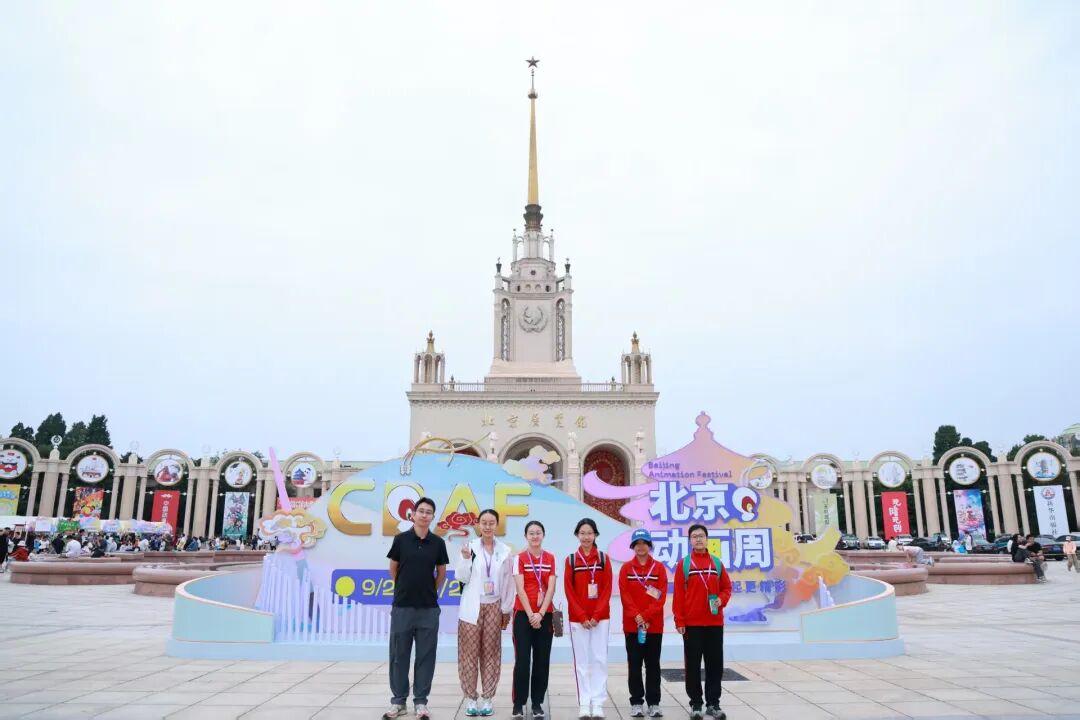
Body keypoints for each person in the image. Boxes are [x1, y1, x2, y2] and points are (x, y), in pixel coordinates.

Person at [383, 497, 449, 720]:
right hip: (402, 607)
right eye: (421, 511)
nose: (424, 515)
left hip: (428, 609)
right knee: (399, 655)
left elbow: (441, 572)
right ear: (413, 514)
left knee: (426, 656)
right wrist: (404, 588)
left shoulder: (438, 543)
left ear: (432, 517)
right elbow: (393, 568)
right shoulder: (401, 540)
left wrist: (429, 590)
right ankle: (398, 701)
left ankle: (421, 702)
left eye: (429, 512)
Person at [455, 508, 515, 717]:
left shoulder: (505, 551)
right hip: (472, 607)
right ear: (479, 525)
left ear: (497, 525)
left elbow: (508, 583)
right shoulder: (469, 547)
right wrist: (465, 559)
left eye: (491, 523)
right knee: (469, 655)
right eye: (484, 523)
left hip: (494, 607)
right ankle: (471, 699)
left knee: (491, 653)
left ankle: (487, 698)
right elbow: (462, 577)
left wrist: (506, 609)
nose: (488, 526)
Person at [674, 524, 732, 720]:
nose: (698, 539)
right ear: (690, 540)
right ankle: (696, 704)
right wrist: (679, 620)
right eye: (694, 536)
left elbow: (727, 588)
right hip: (692, 625)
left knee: (715, 665)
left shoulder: (716, 563)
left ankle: (713, 704)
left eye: (701, 536)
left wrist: (721, 600)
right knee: (692, 666)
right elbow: (678, 596)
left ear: (707, 539)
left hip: (714, 623)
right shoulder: (684, 564)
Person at [565, 518, 613, 719]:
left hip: (600, 619)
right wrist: (583, 616)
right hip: (578, 619)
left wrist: (596, 615)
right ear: (577, 535)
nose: (586, 537)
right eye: (582, 533)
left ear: (595, 535)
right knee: (582, 662)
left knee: (600, 659)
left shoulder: (603, 559)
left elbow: (607, 589)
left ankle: (598, 702)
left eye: (590, 533)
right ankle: (584, 703)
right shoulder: (571, 560)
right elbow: (569, 591)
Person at [619, 528, 668, 718]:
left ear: (649, 545)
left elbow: (660, 596)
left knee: (653, 665)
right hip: (632, 626)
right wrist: (637, 616)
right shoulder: (626, 569)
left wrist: (645, 617)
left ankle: (654, 703)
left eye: (644, 543)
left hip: (653, 626)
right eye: (637, 543)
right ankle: (637, 702)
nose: (641, 547)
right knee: (634, 665)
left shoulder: (658, 568)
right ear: (633, 546)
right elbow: (625, 595)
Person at [511, 520, 557, 720]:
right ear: (526, 536)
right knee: (522, 661)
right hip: (523, 615)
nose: (535, 536)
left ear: (543, 535)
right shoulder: (519, 558)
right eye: (531, 533)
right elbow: (519, 588)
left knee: (542, 661)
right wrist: (531, 614)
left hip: (545, 615)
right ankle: (519, 704)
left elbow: (551, 588)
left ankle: (537, 703)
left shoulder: (550, 558)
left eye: (538, 532)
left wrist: (541, 614)